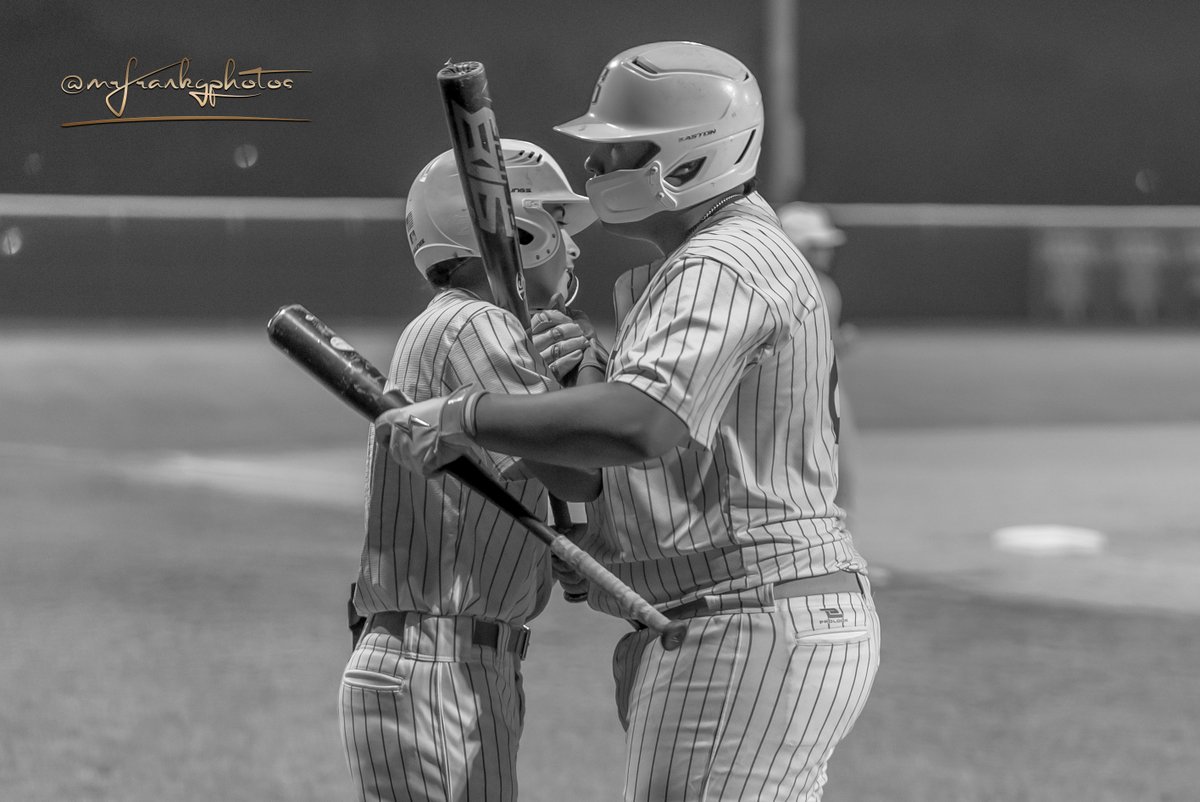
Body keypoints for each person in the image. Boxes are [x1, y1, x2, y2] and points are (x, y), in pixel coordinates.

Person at [377, 42, 880, 802]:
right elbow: (676, 462)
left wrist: (465, 414)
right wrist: (600, 525)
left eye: (620, 148)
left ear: (690, 155)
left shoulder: (721, 262)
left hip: (746, 618)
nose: (595, 168)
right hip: (747, 613)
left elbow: (640, 426)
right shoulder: (715, 258)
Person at [339, 139, 599, 802]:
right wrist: (592, 368)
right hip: (439, 664)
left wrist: (553, 554)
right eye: (560, 228)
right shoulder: (477, 324)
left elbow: (506, 496)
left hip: (441, 660)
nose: (573, 249)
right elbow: (580, 471)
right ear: (520, 232)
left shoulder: (456, 325)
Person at [777, 202, 860, 522]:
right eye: (817, 245)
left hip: (826, 386)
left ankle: (839, 543)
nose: (827, 252)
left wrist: (840, 342)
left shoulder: (825, 286)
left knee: (837, 470)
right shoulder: (793, 286)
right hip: (801, 394)